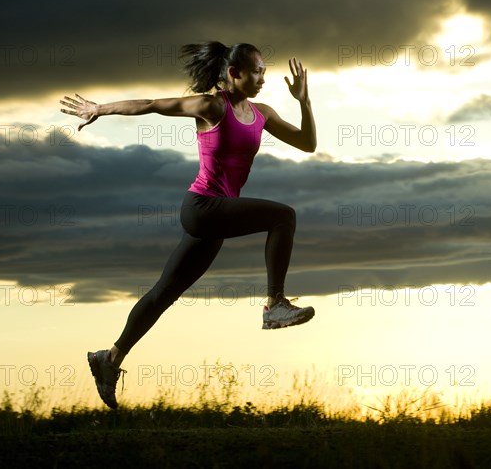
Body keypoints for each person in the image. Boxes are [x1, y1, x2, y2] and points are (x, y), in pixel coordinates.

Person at [59, 41, 317, 409]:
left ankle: (109, 359)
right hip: (202, 207)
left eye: (264, 71)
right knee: (283, 216)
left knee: (164, 293)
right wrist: (99, 108)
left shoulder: (263, 113)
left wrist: (304, 101)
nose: (263, 78)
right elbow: (151, 105)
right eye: (256, 71)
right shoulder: (211, 106)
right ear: (234, 74)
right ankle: (274, 304)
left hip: (216, 217)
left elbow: (307, 143)